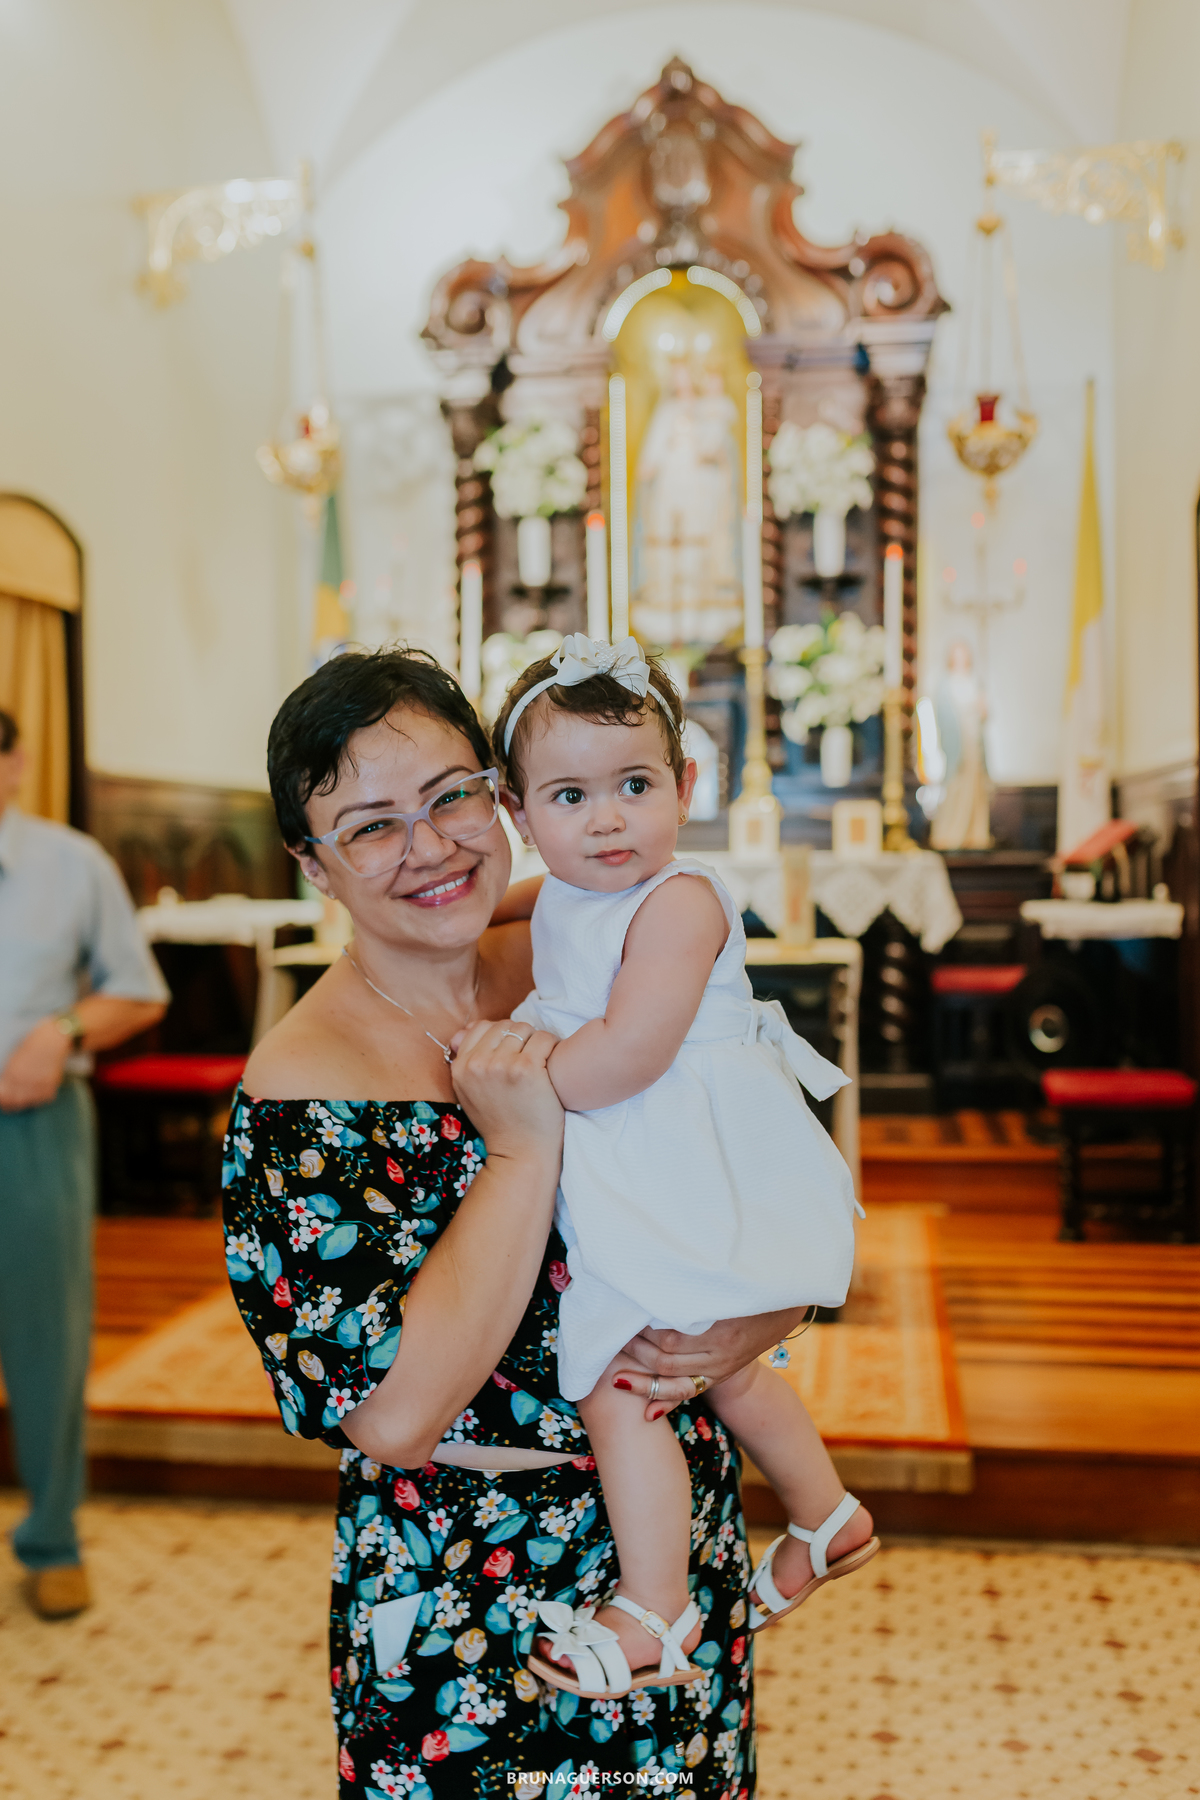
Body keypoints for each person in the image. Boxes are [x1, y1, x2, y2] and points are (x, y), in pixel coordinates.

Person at [226, 647, 805, 1796]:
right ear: (314, 867)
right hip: (465, 1580)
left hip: (668, 1544)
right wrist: (524, 1145)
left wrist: (756, 1320)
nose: (431, 847)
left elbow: (750, 1165)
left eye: (452, 796)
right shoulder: (301, 1092)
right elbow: (390, 1414)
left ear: (505, 796)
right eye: (372, 826)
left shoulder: (586, 952)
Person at [489, 635, 877, 1700]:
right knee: (724, 1367)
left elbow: (626, 1056)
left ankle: (657, 1609)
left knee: (626, 1384)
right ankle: (827, 1515)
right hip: (646, 1156)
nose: (607, 817)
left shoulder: (682, 899)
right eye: (569, 795)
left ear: (686, 785)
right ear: (523, 817)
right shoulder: (570, 884)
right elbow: (538, 907)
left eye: (634, 785)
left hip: (679, 1153)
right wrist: (490, 902)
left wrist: (519, 1074)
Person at [0, 709, 168, 1618]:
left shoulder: (71, 866)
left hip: (31, 1127)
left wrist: (60, 1031)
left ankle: (52, 1537)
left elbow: (138, 990)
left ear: (15, 762)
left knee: (44, 1338)